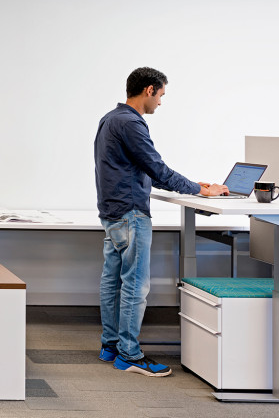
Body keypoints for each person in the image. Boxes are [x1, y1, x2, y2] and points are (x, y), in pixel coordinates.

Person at [94, 67, 228, 377]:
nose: (160, 102)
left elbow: (137, 168)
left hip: (113, 212)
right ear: (149, 90)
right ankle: (129, 354)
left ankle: (110, 346)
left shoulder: (110, 119)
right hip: (131, 213)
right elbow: (157, 168)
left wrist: (194, 185)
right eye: (161, 95)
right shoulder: (131, 123)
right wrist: (201, 190)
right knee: (135, 285)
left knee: (112, 281)